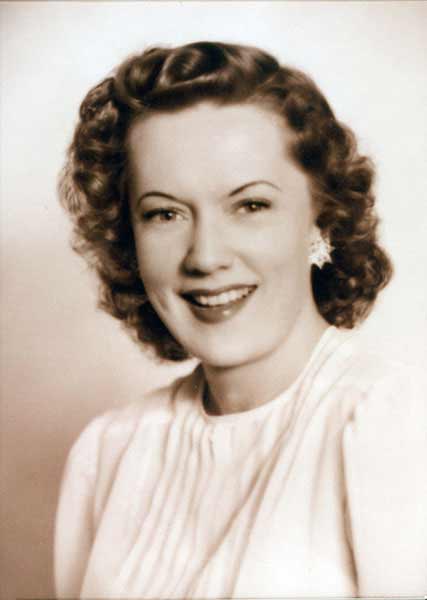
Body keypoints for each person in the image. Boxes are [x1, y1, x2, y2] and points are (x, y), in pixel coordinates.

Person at [55, 41, 427, 598]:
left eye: (250, 205)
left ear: (321, 218)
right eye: (164, 213)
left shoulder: (394, 426)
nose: (206, 256)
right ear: (128, 236)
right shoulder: (109, 451)